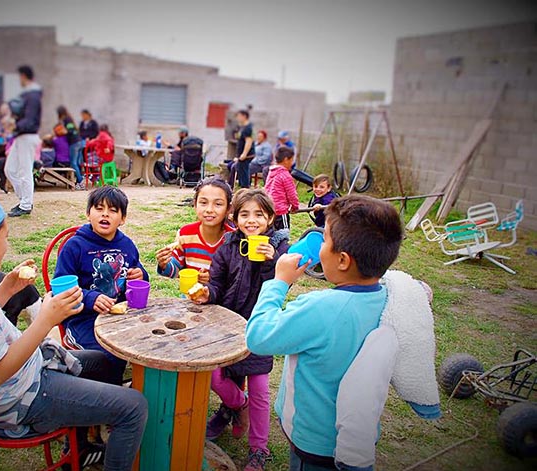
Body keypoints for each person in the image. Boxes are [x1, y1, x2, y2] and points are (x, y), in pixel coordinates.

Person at [0, 192, 147, 471]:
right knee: (134, 407)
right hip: (20, 398)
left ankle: (78, 450)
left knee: (103, 363)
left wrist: (7, 288)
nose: (7, 245)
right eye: (5, 237)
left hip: (23, 378)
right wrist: (45, 320)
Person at [246, 195, 404, 471]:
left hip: (313, 443)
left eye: (326, 241)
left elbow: (258, 336)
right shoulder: (391, 300)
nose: (320, 248)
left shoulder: (320, 308)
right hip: (356, 434)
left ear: (342, 260)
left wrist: (278, 282)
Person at [192, 189, 289, 471]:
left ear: (270, 218)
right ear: (234, 217)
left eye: (259, 214)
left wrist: (273, 262)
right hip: (226, 327)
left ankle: (259, 449)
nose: (251, 220)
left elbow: (281, 289)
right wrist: (206, 292)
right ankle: (237, 404)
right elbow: (218, 284)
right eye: (244, 214)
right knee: (213, 375)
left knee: (260, 390)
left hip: (260, 328)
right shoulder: (228, 247)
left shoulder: (280, 250)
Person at [54, 186, 148, 384]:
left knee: (146, 343)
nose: (105, 214)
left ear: (122, 218)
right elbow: (61, 290)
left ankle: (135, 385)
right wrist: (90, 298)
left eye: (113, 210)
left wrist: (141, 275)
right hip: (83, 319)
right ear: (88, 213)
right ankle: (111, 391)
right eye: (99, 208)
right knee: (107, 356)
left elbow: (137, 273)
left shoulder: (127, 245)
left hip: (121, 315)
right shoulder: (75, 246)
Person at [156, 178, 235, 280]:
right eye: (203, 202)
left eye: (218, 204)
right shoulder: (186, 234)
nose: (209, 210)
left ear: (228, 209)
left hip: (223, 296)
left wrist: (216, 279)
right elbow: (177, 271)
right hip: (191, 294)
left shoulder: (234, 239)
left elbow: (239, 278)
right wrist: (164, 264)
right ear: (195, 205)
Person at [6, 65, 42, 217]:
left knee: (24, 171)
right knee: (10, 169)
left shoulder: (33, 95)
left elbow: (30, 120)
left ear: (23, 76)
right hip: (21, 136)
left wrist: (15, 124)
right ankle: (24, 201)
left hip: (27, 136)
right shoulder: (27, 94)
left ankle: (26, 204)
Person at [264, 146, 300, 233]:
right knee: (284, 234)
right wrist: (295, 206)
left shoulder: (271, 172)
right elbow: (292, 194)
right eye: (291, 160)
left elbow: (267, 188)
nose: (292, 163)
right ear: (286, 159)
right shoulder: (285, 175)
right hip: (280, 211)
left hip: (269, 210)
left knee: (270, 233)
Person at [56, 106, 85, 190]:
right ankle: (80, 181)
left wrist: (64, 132)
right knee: (78, 163)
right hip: (79, 142)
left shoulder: (66, 119)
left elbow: (70, 130)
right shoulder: (70, 118)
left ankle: (80, 181)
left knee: (73, 163)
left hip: (74, 143)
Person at [227, 110, 255, 189]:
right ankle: (242, 187)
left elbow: (248, 141)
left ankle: (245, 188)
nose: (238, 118)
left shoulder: (248, 128)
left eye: (239, 116)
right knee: (240, 170)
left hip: (247, 155)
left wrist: (244, 154)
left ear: (244, 116)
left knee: (244, 172)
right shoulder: (242, 127)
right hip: (241, 155)